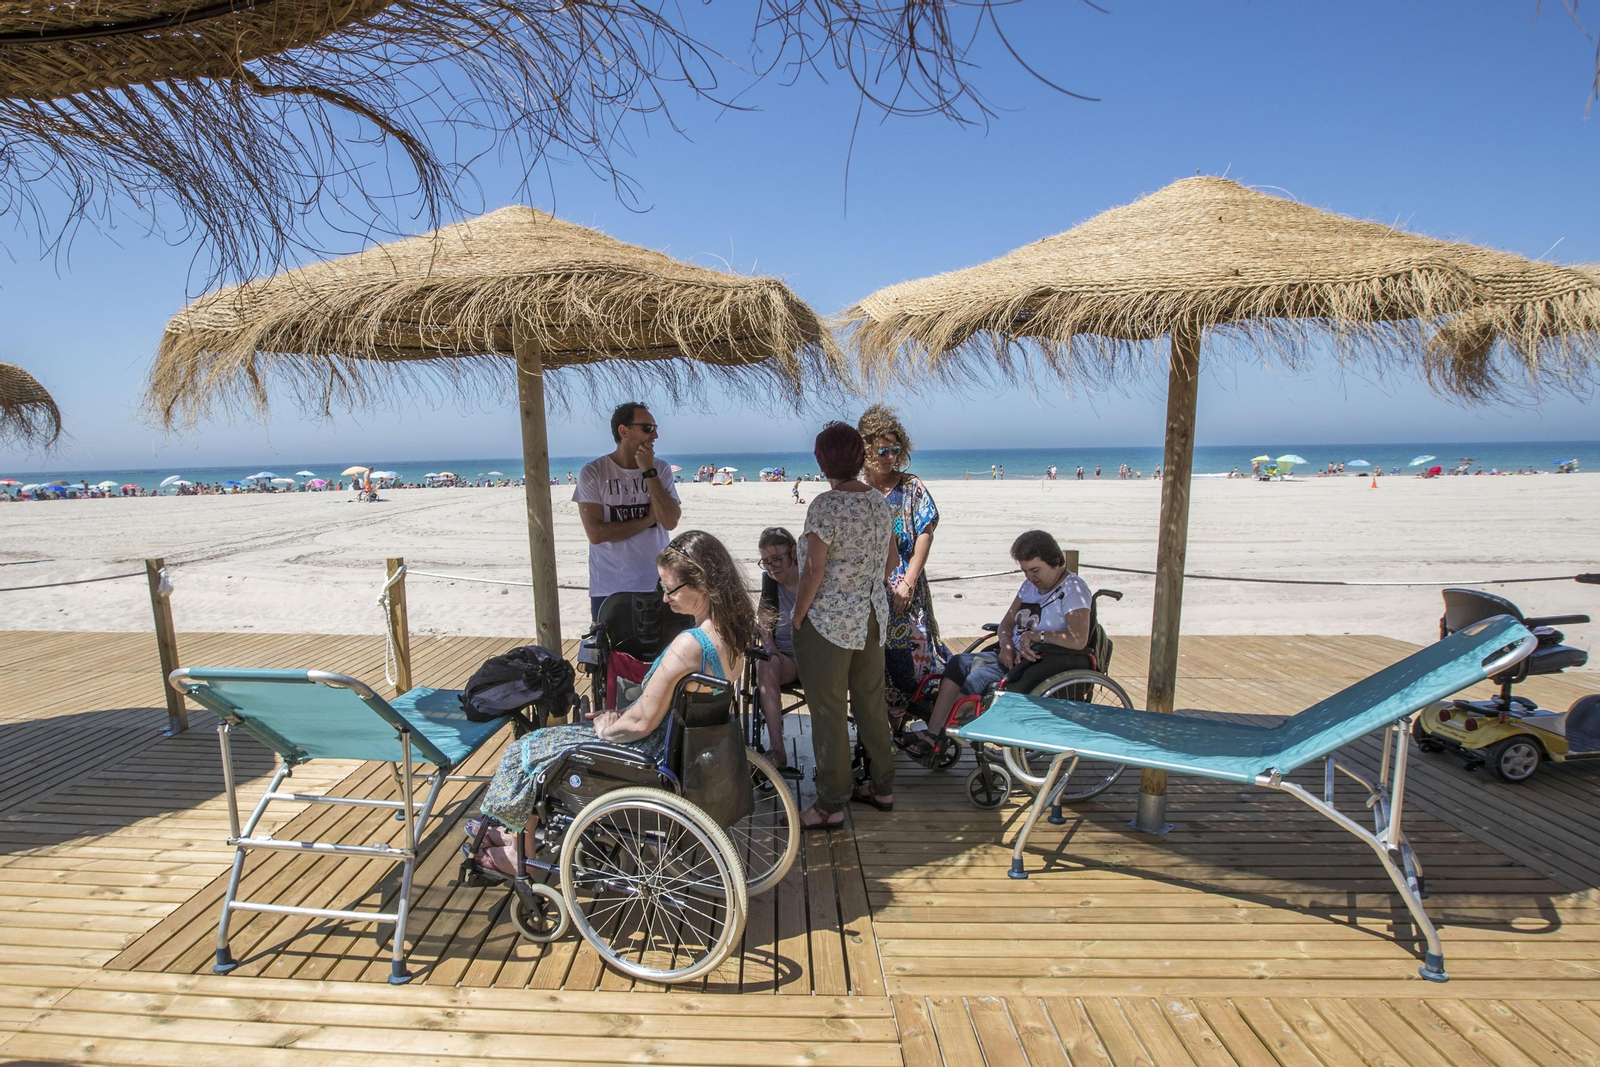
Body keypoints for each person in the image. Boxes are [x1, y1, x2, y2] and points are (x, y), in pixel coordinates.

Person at [479, 530, 751, 847]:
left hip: (648, 751)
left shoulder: (690, 645)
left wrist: (606, 727)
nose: (664, 598)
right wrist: (622, 712)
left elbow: (640, 724)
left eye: (670, 589)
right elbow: (669, 706)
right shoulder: (731, 635)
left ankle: (517, 849)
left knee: (525, 748)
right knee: (551, 742)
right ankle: (514, 834)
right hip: (682, 745)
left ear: (702, 584)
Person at [792, 422, 896, 829]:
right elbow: (890, 563)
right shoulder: (878, 502)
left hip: (829, 621)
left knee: (829, 710)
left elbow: (813, 569)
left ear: (822, 460)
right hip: (872, 617)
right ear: (860, 457)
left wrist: (798, 615)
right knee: (871, 703)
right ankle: (882, 786)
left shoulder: (825, 505)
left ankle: (831, 802)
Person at [913, 530, 1092, 761]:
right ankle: (934, 734)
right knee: (958, 663)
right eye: (1025, 571)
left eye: (1035, 570)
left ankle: (941, 731)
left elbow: (1078, 638)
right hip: (1011, 653)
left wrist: (1038, 636)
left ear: (1056, 562)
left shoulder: (1073, 589)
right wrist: (1006, 643)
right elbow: (1006, 623)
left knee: (976, 679)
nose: (1029, 577)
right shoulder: (1029, 587)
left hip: (1036, 661)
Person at [857, 404, 948, 724]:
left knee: (913, 655)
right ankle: (884, 731)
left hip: (906, 587)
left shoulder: (911, 487)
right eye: (882, 450)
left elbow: (925, 532)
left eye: (895, 450)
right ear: (865, 449)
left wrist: (908, 581)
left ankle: (916, 724)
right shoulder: (858, 490)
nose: (890, 456)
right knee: (874, 661)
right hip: (868, 589)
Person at [574, 401, 682, 620]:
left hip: (658, 584)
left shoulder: (660, 469)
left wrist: (648, 471)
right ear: (624, 431)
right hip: (609, 587)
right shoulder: (593, 472)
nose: (655, 435)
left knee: (660, 653)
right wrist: (650, 518)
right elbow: (596, 534)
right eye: (648, 428)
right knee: (612, 653)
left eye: (655, 427)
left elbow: (670, 521)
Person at [755, 527, 803, 777]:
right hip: (786, 658)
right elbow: (763, 623)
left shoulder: (811, 577)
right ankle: (777, 750)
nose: (772, 567)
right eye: (766, 561)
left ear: (794, 553)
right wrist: (771, 649)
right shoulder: (770, 583)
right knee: (764, 663)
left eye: (777, 559)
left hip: (817, 658)